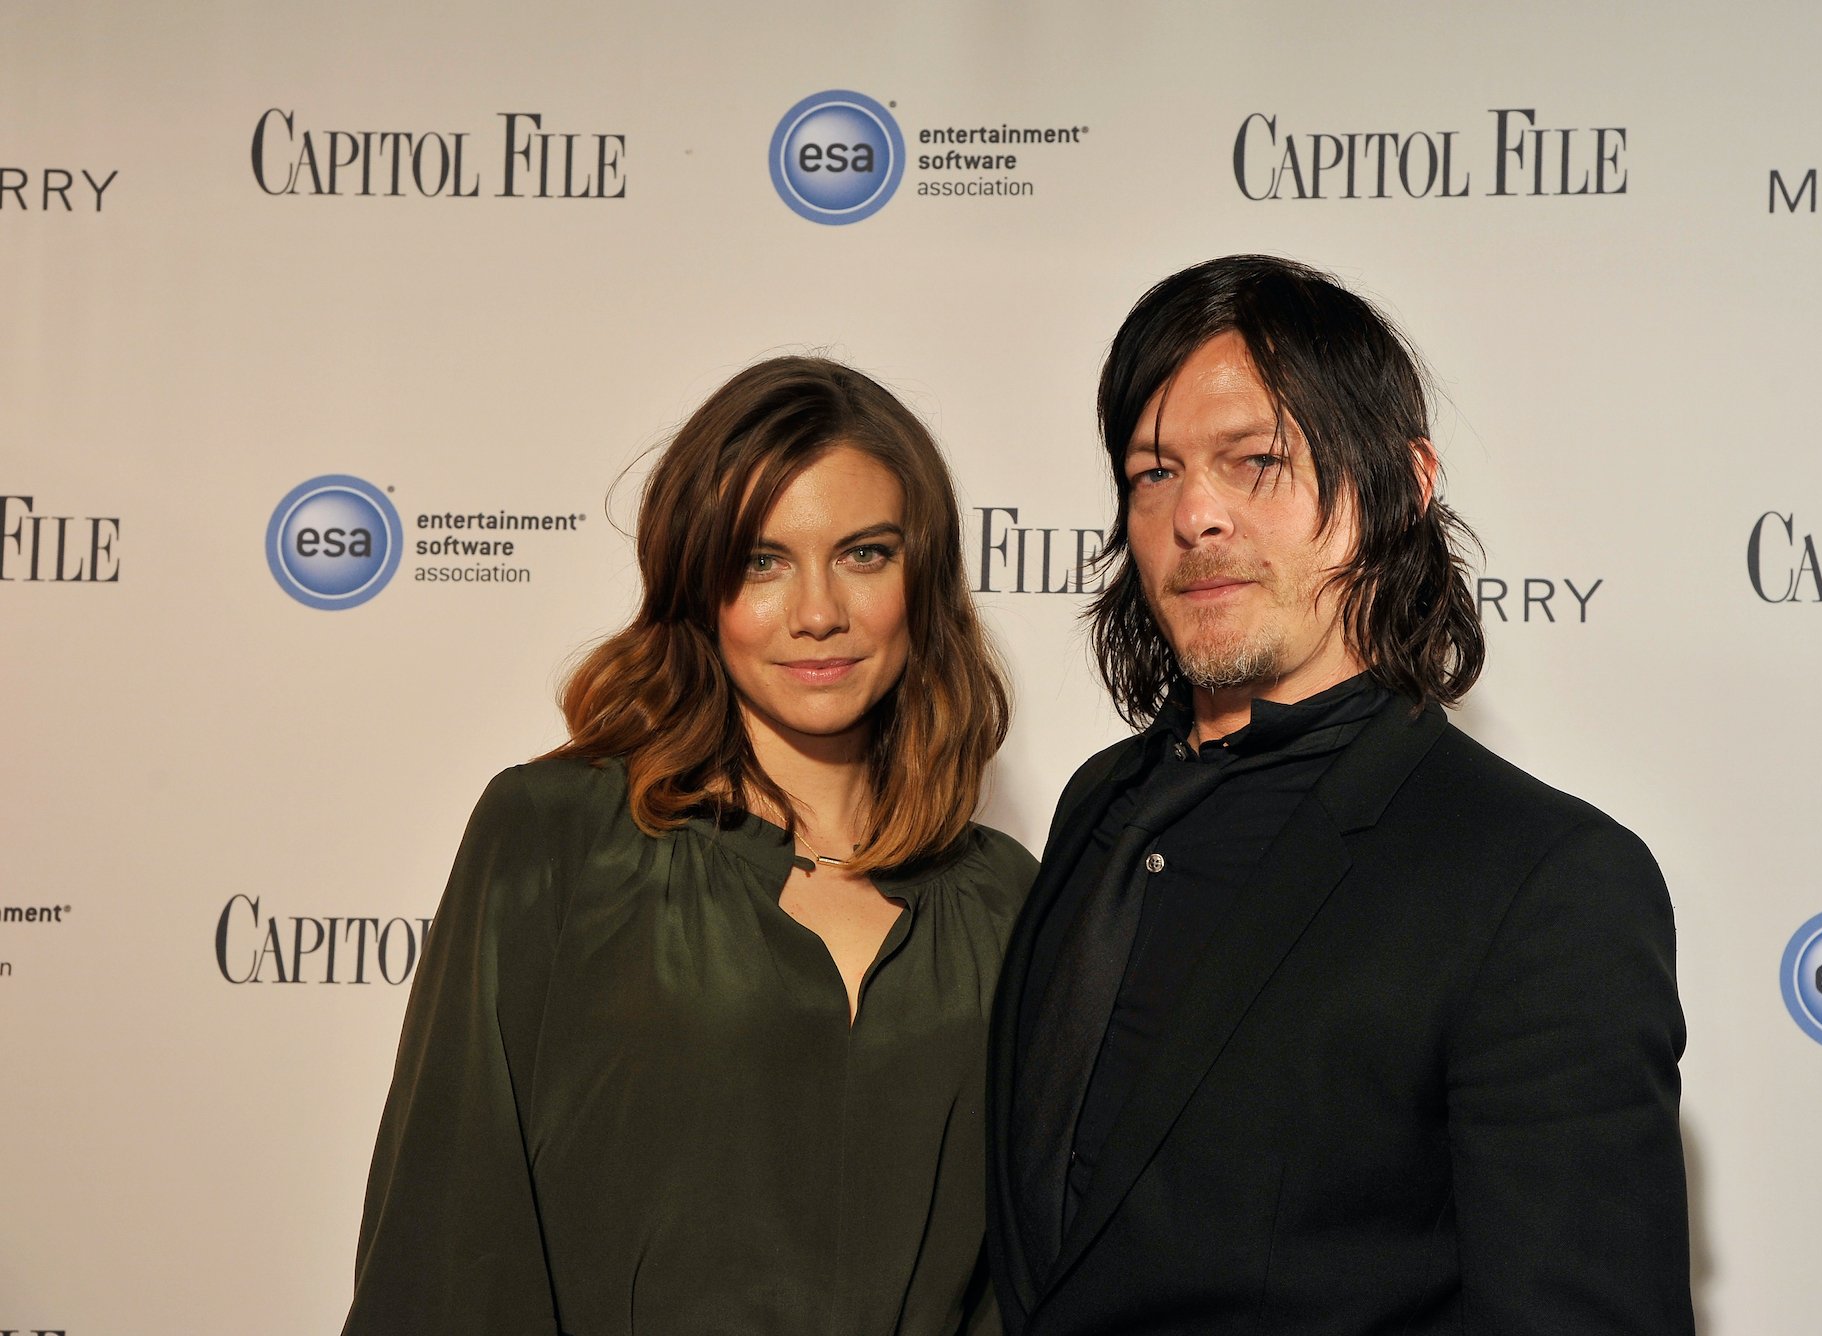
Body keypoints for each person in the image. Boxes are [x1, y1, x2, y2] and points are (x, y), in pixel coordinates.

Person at [987, 255, 1693, 1334]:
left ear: (1403, 483)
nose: (1196, 514)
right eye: (1153, 472)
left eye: (1256, 461)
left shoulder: (1541, 882)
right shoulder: (1100, 803)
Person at [344, 357, 1036, 1335]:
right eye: (761, 562)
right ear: (696, 582)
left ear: (921, 579)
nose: (818, 612)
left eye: (864, 554)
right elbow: (448, 1237)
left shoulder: (1005, 899)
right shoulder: (558, 839)